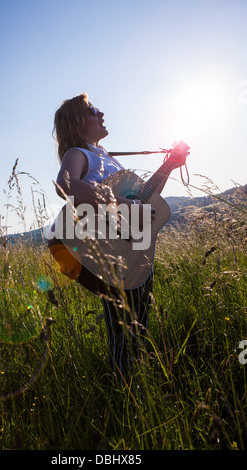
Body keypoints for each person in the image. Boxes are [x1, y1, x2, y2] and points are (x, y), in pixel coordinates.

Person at [48, 92, 187, 381]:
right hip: (109, 248)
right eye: (91, 111)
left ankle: (136, 381)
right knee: (123, 332)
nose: (100, 113)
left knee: (139, 325)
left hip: (134, 247)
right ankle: (125, 395)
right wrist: (119, 203)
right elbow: (66, 185)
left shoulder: (108, 158)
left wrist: (169, 166)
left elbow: (143, 202)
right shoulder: (78, 154)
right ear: (75, 122)